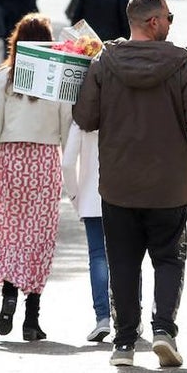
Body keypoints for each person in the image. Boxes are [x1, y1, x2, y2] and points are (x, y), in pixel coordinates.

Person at [72, 0, 187, 368]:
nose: (171, 23)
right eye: (169, 17)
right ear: (154, 22)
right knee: (168, 260)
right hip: (170, 184)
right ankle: (163, 331)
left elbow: (86, 118)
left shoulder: (103, 63)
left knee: (123, 262)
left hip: (118, 183)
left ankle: (124, 343)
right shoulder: (182, 65)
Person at [0, 14, 73, 341]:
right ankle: (31, 319)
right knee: (39, 236)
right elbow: (66, 124)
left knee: (9, 230)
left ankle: (8, 296)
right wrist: (69, 168)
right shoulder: (58, 77)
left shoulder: (6, 77)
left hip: (12, 159)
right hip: (45, 159)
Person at [62, 121, 112, 341]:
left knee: (98, 257)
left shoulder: (81, 120)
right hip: (123, 197)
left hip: (91, 200)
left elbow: (67, 164)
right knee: (127, 257)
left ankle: (103, 317)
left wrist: (75, 197)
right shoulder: (121, 109)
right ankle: (131, 315)